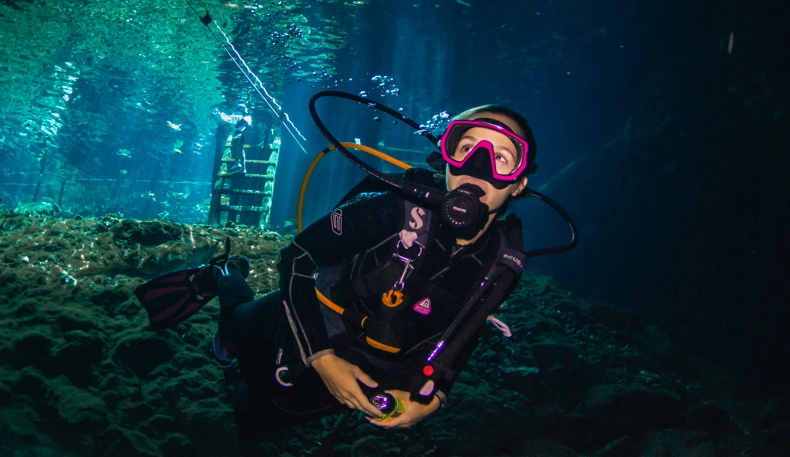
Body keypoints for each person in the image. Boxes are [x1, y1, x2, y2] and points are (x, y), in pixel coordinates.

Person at [139, 103, 538, 445]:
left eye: (503, 157)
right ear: (446, 158)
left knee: (258, 421)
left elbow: (465, 334)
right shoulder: (392, 209)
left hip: (362, 371)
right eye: (465, 147)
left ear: (518, 183)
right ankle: (224, 273)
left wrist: (435, 398)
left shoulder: (502, 262)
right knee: (232, 333)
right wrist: (323, 358)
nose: (478, 166)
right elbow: (297, 257)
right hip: (297, 323)